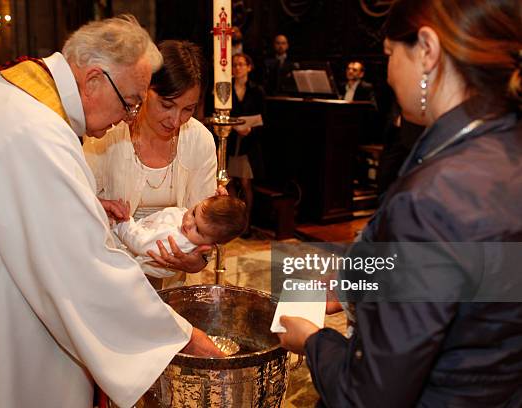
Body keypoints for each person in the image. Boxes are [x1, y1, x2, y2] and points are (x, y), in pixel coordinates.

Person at [0, 16, 223, 408]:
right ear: (93, 80)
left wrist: (88, 205)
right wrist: (181, 336)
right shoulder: (35, 131)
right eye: (130, 103)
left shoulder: (17, 100)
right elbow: (84, 268)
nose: (128, 118)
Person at [278, 0, 522, 406]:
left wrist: (314, 342)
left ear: (426, 50)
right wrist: (353, 282)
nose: (389, 74)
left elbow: (371, 394)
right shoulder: (500, 147)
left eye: (390, 54)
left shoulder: (433, 199)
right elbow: (468, 274)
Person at [83, 39, 218, 289]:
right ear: (145, 88)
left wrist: (196, 261)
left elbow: (206, 226)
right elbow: (79, 205)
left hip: (174, 276)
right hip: (109, 271)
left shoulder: (199, 140)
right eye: (167, 105)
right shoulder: (108, 131)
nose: (176, 120)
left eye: (188, 109)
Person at [115, 195, 247, 279]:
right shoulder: (191, 224)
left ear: (210, 244)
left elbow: (140, 244)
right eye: (194, 213)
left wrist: (123, 222)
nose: (188, 224)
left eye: (198, 230)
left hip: (128, 266)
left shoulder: (179, 241)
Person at [227, 52, 266, 236]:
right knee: (230, 182)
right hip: (232, 140)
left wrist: (250, 129)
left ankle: (247, 221)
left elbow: (263, 117)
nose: (237, 68)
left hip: (248, 142)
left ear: (249, 67)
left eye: (241, 64)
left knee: (245, 182)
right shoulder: (225, 89)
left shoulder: (256, 90)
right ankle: (234, 222)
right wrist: (234, 126)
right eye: (234, 65)